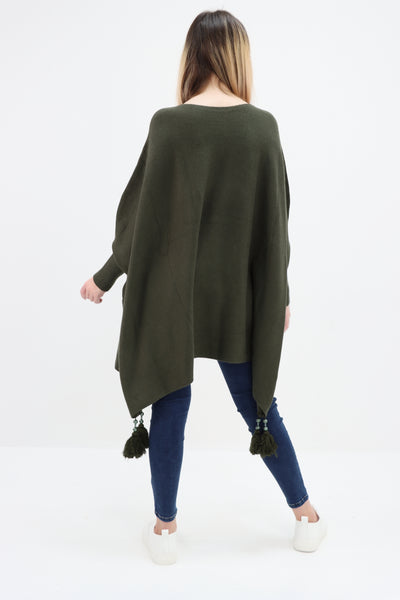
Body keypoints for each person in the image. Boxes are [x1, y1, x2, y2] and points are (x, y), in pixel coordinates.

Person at [80, 9, 327, 564]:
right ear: (239, 56)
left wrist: (104, 277)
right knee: (259, 409)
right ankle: (306, 516)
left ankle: (164, 530)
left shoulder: (169, 125)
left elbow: (140, 224)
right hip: (238, 301)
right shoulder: (262, 127)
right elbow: (275, 227)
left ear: (192, 55)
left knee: (171, 403)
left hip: (174, 299)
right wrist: (279, 297)